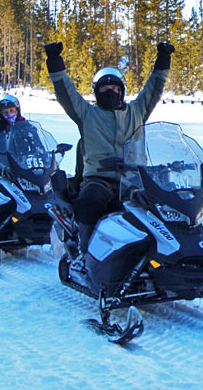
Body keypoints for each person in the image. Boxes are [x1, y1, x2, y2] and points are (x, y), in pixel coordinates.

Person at [43, 40, 173, 253]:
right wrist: (55, 62)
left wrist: (163, 60)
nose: (110, 91)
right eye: (104, 88)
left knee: (162, 209)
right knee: (89, 203)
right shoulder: (87, 114)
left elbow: (154, 88)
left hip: (135, 180)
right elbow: (65, 93)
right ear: (96, 91)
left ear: (121, 90)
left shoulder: (137, 111)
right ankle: (85, 254)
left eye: (114, 87)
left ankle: (162, 258)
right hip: (99, 180)